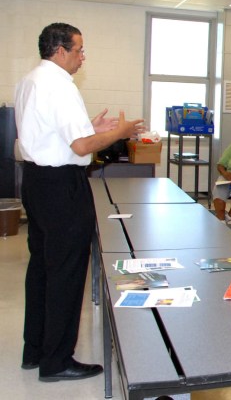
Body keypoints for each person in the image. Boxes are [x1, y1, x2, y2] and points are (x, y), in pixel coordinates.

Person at [16, 22, 144, 381]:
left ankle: (36, 350)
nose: (82, 57)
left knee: (41, 267)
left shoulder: (30, 81)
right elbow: (80, 147)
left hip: (37, 182)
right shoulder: (60, 85)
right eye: (79, 50)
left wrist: (89, 126)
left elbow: (51, 133)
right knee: (67, 272)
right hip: (62, 187)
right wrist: (118, 132)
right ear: (60, 51)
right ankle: (57, 362)